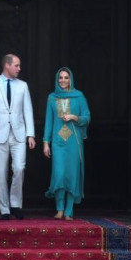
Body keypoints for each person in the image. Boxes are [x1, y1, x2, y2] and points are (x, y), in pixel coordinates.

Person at [0, 54, 36, 220]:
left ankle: (15, 205)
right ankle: (4, 209)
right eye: (17, 65)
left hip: (19, 134)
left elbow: (28, 110)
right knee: (1, 172)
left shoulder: (23, 86)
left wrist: (30, 134)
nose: (19, 68)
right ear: (7, 65)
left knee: (19, 168)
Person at [42, 66, 90, 220]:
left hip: (73, 142)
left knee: (72, 175)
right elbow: (49, 121)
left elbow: (87, 117)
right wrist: (45, 142)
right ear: (57, 80)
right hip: (57, 142)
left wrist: (74, 117)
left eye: (66, 78)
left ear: (71, 80)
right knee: (59, 174)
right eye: (60, 78)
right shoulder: (52, 98)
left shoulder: (79, 96)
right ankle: (59, 209)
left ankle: (69, 210)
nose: (63, 80)